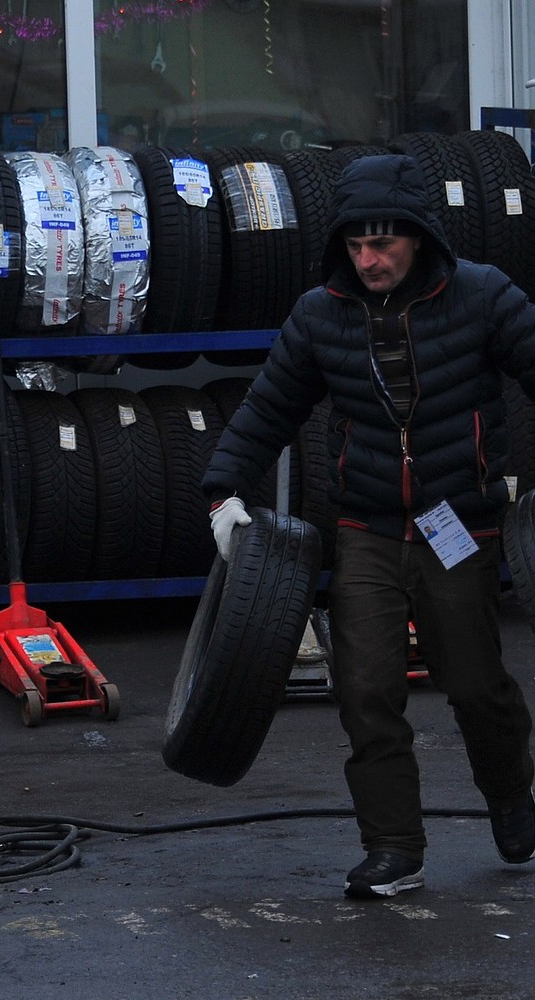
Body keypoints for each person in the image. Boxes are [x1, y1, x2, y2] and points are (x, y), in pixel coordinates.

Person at [202, 152, 535, 900]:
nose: (369, 259)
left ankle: (512, 795)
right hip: (368, 526)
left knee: (476, 686)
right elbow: (268, 408)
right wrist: (223, 493)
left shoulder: (484, 297)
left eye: (383, 243)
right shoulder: (321, 314)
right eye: (355, 245)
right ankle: (393, 847)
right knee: (364, 689)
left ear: (419, 236)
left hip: (460, 524)